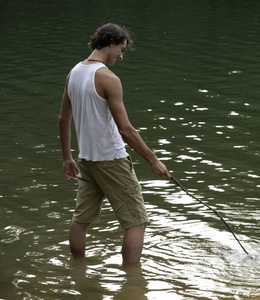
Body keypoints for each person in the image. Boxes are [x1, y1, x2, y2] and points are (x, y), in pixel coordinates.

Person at [58, 23, 170, 266]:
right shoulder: (108, 78)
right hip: (111, 159)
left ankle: (77, 270)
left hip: (86, 160)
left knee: (81, 220)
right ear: (110, 42)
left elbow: (63, 119)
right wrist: (153, 160)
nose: (121, 55)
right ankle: (132, 282)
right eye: (121, 49)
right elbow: (126, 129)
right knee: (137, 222)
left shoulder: (73, 73)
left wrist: (68, 157)